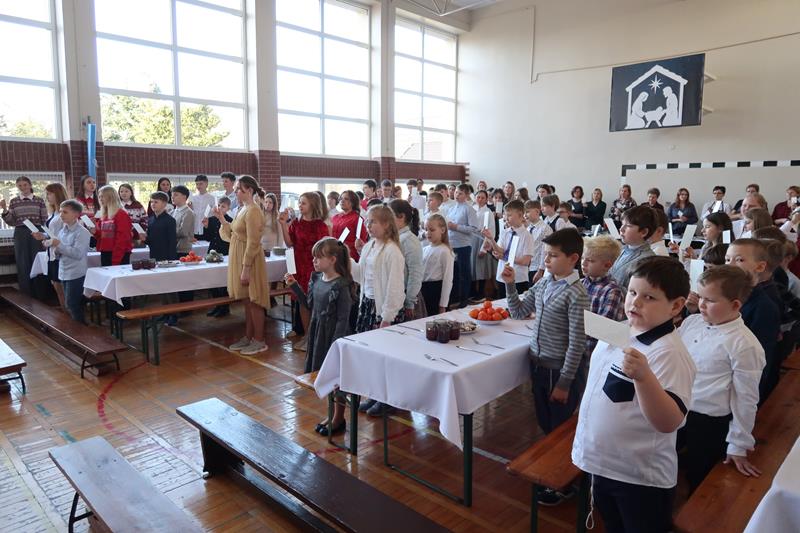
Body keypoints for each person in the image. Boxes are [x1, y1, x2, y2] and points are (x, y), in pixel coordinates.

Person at [572, 257, 695, 533]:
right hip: (602, 462)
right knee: (613, 526)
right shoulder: (620, 330)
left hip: (638, 476)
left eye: (649, 297)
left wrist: (644, 377)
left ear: (676, 306)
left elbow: (669, 422)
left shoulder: (669, 354)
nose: (635, 302)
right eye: (632, 292)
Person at [678, 266, 764, 492]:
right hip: (677, 406)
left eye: (710, 300)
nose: (701, 304)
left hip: (708, 420)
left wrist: (738, 444)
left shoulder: (744, 345)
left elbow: (745, 398)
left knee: (699, 473)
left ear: (735, 305)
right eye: (700, 297)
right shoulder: (692, 322)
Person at [503, 228, 588, 449]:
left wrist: (564, 383)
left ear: (573, 258)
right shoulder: (544, 283)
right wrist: (510, 284)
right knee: (544, 421)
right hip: (539, 364)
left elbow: (577, 343)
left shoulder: (577, 294)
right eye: (545, 254)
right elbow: (519, 312)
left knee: (558, 427)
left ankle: (560, 468)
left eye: (553, 255)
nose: (546, 260)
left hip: (559, 370)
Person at [286, 237, 355, 435]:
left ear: (333, 260)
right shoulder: (316, 279)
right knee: (325, 377)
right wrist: (294, 286)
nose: (314, 261)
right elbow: (309, 305)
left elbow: (343, 319)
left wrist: (335, 345)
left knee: (337, 379)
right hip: (319, 336)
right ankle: (332, 414)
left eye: (318, 257)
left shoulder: (341, 285)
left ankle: (338, 417)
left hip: (334, 338)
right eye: (314, 257)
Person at [352, 205, 406, 417]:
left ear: (386, 224)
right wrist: (347, 259)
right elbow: (361, 276)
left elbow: (395, 287)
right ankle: (375, 394)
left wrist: (387, 317)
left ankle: (388, 399)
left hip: (384, 310)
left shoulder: (392, 251)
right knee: (371, 356)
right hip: (368, 305)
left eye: (373, 221)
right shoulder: (369, 247)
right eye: (367, 221)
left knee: (386, 357)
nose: (368, 225)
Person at [219, 175, 270, 355]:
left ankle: (259, 340)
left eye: (238, 189)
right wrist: (222, 219)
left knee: (254, 300)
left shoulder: (253, 210)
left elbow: (253, 242)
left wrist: (246, 267)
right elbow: (233, 234)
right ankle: (249, 336)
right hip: (239, 254)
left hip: (250, 259)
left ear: (248, 190)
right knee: (247, 300)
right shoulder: (243, 209)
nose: (235, 193)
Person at [725, 239, 781, 401]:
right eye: (727, 259)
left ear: (760, 267)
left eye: (739, 260)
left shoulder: (764, 308)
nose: (730, 265)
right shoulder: (727, 296)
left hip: (737, 390)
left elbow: (758, 362)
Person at [279, 192, 331, 351]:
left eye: (303, 203)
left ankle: (315, 336)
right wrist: (283, 224)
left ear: (313, 205)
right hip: (299, 265)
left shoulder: (320, 225)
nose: (300, 205)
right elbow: (289, 243)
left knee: (314, 302)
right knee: (302, 301)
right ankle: (307, 335)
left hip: (314, 266)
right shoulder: (296, 223)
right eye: (299, 202)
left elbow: (324, 249)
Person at [45, 200, 91, 324]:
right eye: (60, 211)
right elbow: (60, 251)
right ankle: (77, 328)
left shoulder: (82, 232)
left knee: (72, 304)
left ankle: (81, 329)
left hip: (76, 272)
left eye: (65, 212)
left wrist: (59, 245)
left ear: (76, 214)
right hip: (64, 270)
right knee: (69, 303)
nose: (61, 215)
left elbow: (77, 254)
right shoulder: (62, 230)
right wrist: (55, 249)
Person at [581, 235, 625, 359]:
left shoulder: (612, 291)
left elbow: (604, 330)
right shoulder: (580, 283)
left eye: (590, 260)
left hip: (591, 354)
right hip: (573, 350)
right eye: (583, 258)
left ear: (607, 265)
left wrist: (569, 319)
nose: (583, 263)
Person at [484, 200, 533, 296]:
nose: (506, 218)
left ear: (520, 215)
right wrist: (491, 239)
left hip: (518, 277)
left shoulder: (527, 236)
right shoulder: (505, 232)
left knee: (516, 303)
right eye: (505, 215)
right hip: (502, 275)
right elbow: (500, 250)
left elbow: (525, 261)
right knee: (501, 302)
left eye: (509, 215)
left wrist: (503, 257)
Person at [32, 183, 68, 308]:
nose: (47, 197)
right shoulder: (53, 212)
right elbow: (52, 233)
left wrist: (48, 240)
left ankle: (69, 314)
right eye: (46, 194)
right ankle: (65, 313)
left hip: (60, 254)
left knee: (63, 288)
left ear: (57, 194)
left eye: (49, 194)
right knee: (57, 287)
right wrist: (43, 236)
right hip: (51, 253)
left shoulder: (65, 212)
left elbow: (65, 234)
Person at [389, 199, 425, 320]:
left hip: (407, 296)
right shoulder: (395, 238)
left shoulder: (409, 240)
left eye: (389, 216)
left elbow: (415, 274)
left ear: (401, 216)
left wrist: (410, 301)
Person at [609, 205, 656, 288]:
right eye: (622, 224)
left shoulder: (647, 260)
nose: (621, 229)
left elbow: (637, 291)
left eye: (628, 226)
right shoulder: (622, 249)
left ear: (644, 232)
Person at [447, 184, 479, 308]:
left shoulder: (469, 209)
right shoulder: (451, 208)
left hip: (463, 245)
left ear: (466, 195)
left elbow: (474, 229)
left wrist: (456, 227)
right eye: (456, 192)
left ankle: (464, 299)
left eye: (460, 193)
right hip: (451, 244)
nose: (457, 195)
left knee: (464, 273)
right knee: (454, 273)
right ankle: (454, 299)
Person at [420, 214, 454, 315]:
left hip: (436, 291)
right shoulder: (424, 249)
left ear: (442, 230)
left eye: (432, 230)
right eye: (426, 229)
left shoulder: (445, 251)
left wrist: (443, 305)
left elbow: (448, 280)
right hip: (423, 290)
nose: (428, 233)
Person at [206, 197, 234, 318]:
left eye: (223, 206)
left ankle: (224, 307)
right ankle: (217, 305)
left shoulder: (230, 220)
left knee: (223, 281)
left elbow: (230, 238)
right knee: (212, 280)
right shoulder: (212, 219)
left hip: (224, 252)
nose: (220, 208)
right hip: (213, 250)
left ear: (228, 208)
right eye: (219, 205)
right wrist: (206, 227)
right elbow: (208, 237)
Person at [94, 185, 133, 267]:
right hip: (105, 252)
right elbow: (102, 236)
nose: (100, 199)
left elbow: (123, 238)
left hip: (119, 253)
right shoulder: (104, 215)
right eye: (99, 197)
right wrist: (95, 232)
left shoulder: (121, 214)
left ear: (111, 197)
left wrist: (116, 260)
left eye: (103, 196)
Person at [472, 190, 496, 300]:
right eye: (478, 197)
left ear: (486, 199)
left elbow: (491, 230)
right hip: (471, 240)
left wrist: (484, 248)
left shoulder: (488, 212)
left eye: (482, 198)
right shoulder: (472, 209)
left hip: (482, 240)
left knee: (481, 268)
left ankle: (481, 293)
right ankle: (473, 292)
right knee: (472, 267)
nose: (480, 199)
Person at [525, 199, 552, 285]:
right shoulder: (528, 228)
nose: (525, 215)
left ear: (537, 211)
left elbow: (545, 251)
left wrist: (541, 270)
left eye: (527, 212)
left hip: (536, 268)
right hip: (526, 267)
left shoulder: (545, 229)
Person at [332, 190, 363, 261]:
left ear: (353, 202)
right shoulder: (335, 217)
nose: (342, 201)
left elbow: (360, 241)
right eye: (341, 199)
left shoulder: (358, 219)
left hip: (349, 255)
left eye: (346, 199)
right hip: (334, 253)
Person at [146, 192, 177, 262]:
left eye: (156, 202)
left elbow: (172, 242)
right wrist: (144, 238)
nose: (153, 204)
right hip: (153, 256)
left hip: (166, 257)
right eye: (151, 202)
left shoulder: (170, 220)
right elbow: (149, 241)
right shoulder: (150, 220)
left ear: (164, 204)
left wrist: (171, 260)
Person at [190, 175, 216, 240]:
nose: (198, 186)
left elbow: (215, 215)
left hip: (207, 229)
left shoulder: (212, 198)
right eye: (197, 184)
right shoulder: (192, 198)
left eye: (201, 184)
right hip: (194, 230)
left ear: (206, 184)